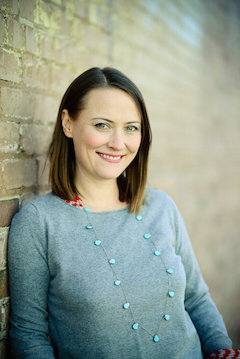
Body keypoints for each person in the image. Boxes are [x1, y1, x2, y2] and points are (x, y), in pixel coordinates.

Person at [8, 67, 239, 359]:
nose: (119, 143)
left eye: (131, 127)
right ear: (68, 123)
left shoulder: (161, 206)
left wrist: (222, 350)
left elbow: (196, 298)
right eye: (102, 125)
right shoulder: (38, 223)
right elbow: (29, 337)